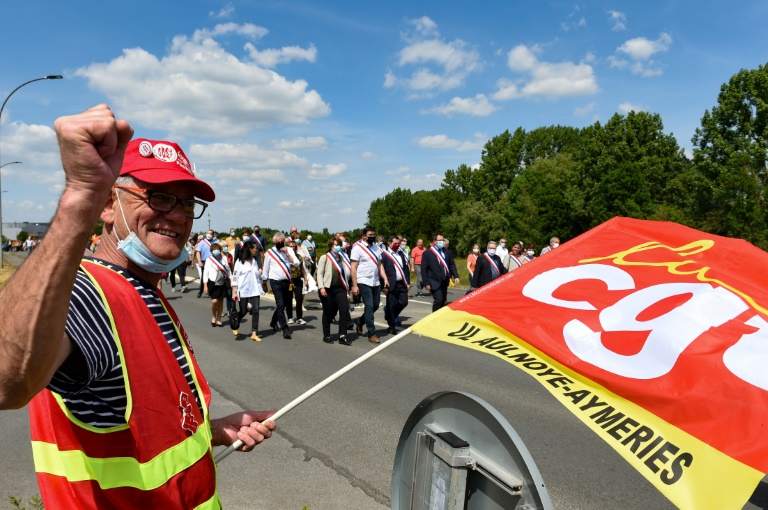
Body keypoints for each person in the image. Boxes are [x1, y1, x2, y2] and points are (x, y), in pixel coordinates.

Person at [0, 106, 274, 508]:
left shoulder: (142, 288)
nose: (177, 216)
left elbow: (137, 426)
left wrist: (210, 432)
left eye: (187, 204)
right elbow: (8, 381)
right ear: (109, 205)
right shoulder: (90, 291)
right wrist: (80, 197)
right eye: (160, 198)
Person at [351, 226, 389, 344]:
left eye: (373, 235)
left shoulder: (376, 247)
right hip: (363, 280)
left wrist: (385, 278)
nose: (372, 237)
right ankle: (372, 334)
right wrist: (355, 285)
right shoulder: (357, 248)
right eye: (370, 235)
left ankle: (360, 321)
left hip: (375, 281)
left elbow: (379, 264)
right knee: (369, 306)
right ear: (364, 236)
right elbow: (353, 268)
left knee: (376, 305)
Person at [262, 232, 298, 339]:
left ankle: (273, 322)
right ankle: (285, 328)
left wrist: (287, 254)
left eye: (282, 241)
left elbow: (296, 263)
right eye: (278, 242)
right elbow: (266, 268)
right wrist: (264, 282)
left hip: (287, 281)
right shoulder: (270, 252)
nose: (280, 243)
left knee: (284, 304)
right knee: (280, 304)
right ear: (274, 242)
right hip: (275, 281)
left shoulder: (289, 250)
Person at [317, 238, 352, 345]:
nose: (337, 246)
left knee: (344, 310)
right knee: (329, 312)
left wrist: (347, 288)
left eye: (339, 245)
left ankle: (342, 335)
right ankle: (327, 335)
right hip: (327, 288)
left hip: (340, 288)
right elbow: (319, 273)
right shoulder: (325, 257)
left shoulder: (341, 258)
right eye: (336, 244)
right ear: (331, 246)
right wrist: (321, 287)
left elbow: (344, 274)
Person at [232, 240, 265, 341]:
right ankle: (236, 322)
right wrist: (234, 291)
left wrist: (261, 276)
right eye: (254, 248)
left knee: (255, 310)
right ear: (249, 249)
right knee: (243, 310)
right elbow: (234, 277)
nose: (256, 250)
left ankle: (254, 333)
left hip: (255, 289)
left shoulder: (254, 261)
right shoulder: (239, 262)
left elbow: (256, 275)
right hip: (244, 290)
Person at [421, 233, 460, 312]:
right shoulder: (428, 253)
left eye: (443, 240)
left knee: (443, 301)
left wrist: (456, 276)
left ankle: (439, 319)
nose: (442, 242)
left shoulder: (447, 252)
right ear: (434, 241)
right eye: (440, 240)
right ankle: (434, 317)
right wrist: (426, 283)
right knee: (439, 300)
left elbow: (452, 264)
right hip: (434, 280)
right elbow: (424, 269)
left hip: (444, 280)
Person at [381, 235, 410, 335]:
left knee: (404, 302)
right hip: (390, 284)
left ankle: (390, 316)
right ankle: (391, 326)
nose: (397, 245)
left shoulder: (401, 254)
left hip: (401, 283)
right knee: (391, 305)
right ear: (389, 243)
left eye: (398, 243)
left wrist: (408, 282)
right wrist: (383, 286)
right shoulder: (384, 255)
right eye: (395, 243)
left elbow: (405, 269)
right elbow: (380, 271)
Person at [204, 242, 231, 326]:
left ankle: (219, 319)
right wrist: (205, 285)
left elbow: (228, 270)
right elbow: (205, 273)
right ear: (211, 251)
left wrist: (231, 280)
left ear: (220, 250)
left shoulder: (224, 258)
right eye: (214, 249)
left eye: (217, 249)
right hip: (212, 282)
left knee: (220, 301)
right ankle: (213, 316)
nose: (216, 251)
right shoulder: (209, 259)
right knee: (214, 301)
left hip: (223, 282)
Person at [285, 236, 308, 326]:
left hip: (298, 280)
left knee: (299, 299)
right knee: (288, 299)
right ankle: (290, 317)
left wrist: (306, 279)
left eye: (294, 246)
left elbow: (302, 268)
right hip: (289, 280)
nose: (292, 248)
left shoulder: (299, 257)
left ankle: (299, 317)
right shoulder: (285, 258)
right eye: (290, 246)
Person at [196, 229, 215, 297]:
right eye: (208, 233)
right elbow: (198, 252)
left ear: (213, 235)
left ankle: (210, 291)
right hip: (204, 261)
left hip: (213, 262)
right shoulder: (202, 242)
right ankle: (201, 291)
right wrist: (199, 262)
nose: (209, 235)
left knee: (212, 277)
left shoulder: (216, 242)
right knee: (204, 277)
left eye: (210, 234)